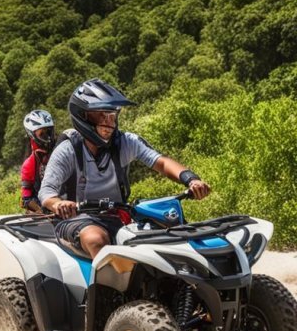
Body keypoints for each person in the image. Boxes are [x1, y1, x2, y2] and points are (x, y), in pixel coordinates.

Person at [39, 78, 211, 258]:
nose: (109, 123)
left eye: (112, 116)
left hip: (119, 215)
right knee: (96, 239)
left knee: (170, 230)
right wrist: (59, 204)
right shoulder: (67, 150)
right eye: (101, 115)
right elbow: (46, 192)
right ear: (83, 115)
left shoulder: (125, 142)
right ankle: (108, 287)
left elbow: (162, 162)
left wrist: (191, 179)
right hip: (77, 219)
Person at [19, 109, 56, 213]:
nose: (47, 137)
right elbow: (26, 198)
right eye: (42, 133)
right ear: (33, 135)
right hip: (44, 213)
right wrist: (41, 212)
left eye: (49, 131)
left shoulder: (64, 149)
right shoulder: (29, 164)